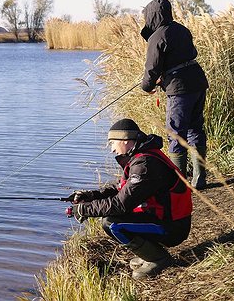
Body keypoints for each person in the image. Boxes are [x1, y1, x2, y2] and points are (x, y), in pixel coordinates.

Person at [67, 118, 192, 280]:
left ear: (125, 141)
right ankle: (149, 252)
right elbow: (121, 189)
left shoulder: (145, 164)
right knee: (114, 219)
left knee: (111, 223)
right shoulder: (141, 157)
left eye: (112, 143)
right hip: (166, 219)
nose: (111, 149)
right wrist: (91, 196)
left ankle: (158, 259)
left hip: (173, 227)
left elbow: (121, 204)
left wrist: (85, 209)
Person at [139, 0, 209, 189]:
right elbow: (186, 55)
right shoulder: (181, 29)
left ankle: (179, 184)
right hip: (197, 81)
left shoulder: (157, 37)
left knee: (176, 134)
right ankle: (199, 179)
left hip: (179, 90)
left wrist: (146, 86)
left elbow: (151, 69)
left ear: (151, 16)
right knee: (195, 129)